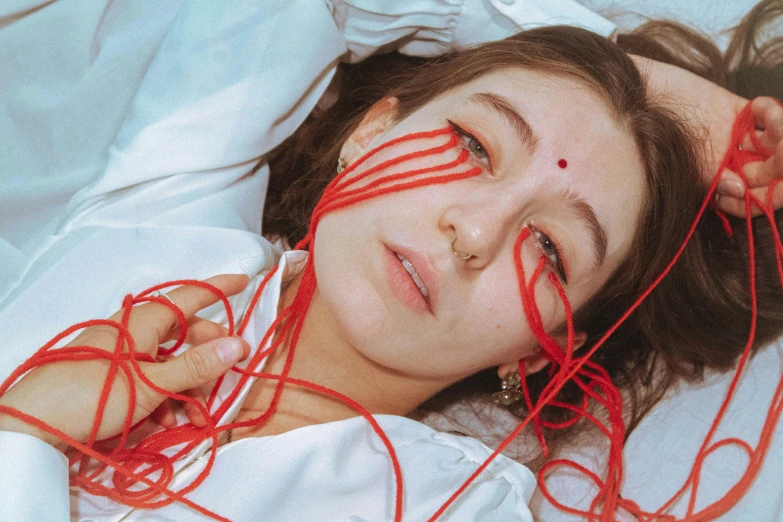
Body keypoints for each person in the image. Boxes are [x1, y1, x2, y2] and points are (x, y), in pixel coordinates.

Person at [0, 2, 781, 522]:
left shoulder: (451, 508)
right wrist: (671, 98)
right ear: (370, 134)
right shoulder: (164, 227)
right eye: (473, 145)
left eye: (548, 247)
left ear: (554, 348)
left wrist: (21, 438)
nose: (473, 231)